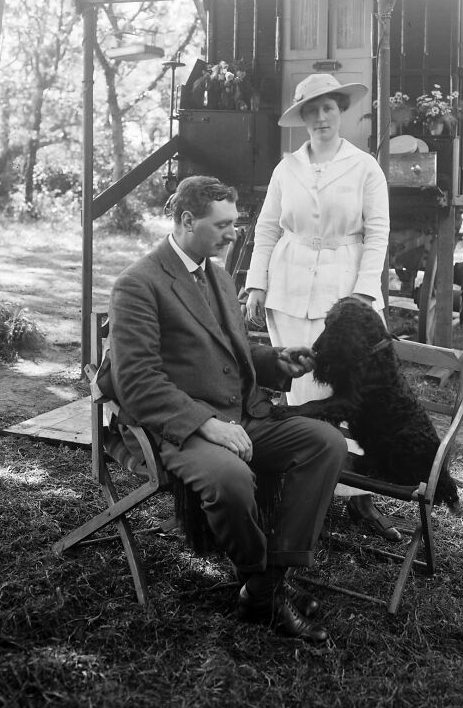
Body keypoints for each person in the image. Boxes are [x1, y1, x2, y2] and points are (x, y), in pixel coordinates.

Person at [108, 175, 348, 643]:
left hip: (244, 416)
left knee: (326, 443)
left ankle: (267, 583)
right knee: (232, 480)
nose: (233, 233)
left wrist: (275, 362)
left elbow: (228, 354)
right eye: (222, 225)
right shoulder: (138, 284)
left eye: (234, 223)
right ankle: (266, 588)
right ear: (186, 220)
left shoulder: (217, 274)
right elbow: (136, 381)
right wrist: (206, 425)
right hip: (181, 428)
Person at [244, 73, 402, 543]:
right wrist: (256, 283)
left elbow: (378, 233)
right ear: (302, 119)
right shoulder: (287, 168)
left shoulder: (364, 167)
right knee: (299, 388)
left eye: (327, 108)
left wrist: (364, 294)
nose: (320, 119)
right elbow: (267, 228)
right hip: (289, 287)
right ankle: (305, 487)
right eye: (311, 111)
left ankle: (361, 498)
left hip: (344, 293)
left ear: (341, 111)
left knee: (352, 392)